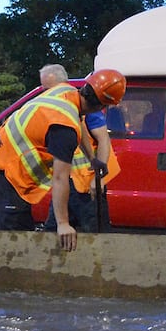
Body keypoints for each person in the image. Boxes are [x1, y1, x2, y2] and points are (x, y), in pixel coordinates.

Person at [0, 68, 126, 251]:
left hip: (2, 150)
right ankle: (11, 271)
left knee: (22, 223)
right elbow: (60, 178)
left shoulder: (66, 92)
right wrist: (63, 224)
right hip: (4, 166)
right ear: (102, 107)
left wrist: (92, 158)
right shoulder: (64, 128)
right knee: (15, 231)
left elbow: (80, 120)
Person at [38, 65, 118, 233]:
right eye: (44, 89)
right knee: (54, 232)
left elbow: (103, 139)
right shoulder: (57, 109)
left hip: (88, 187)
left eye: (49, 89)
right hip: (68, 184)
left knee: (97, 237)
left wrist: (99, 179)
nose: (46, 94)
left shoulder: (85, 106)